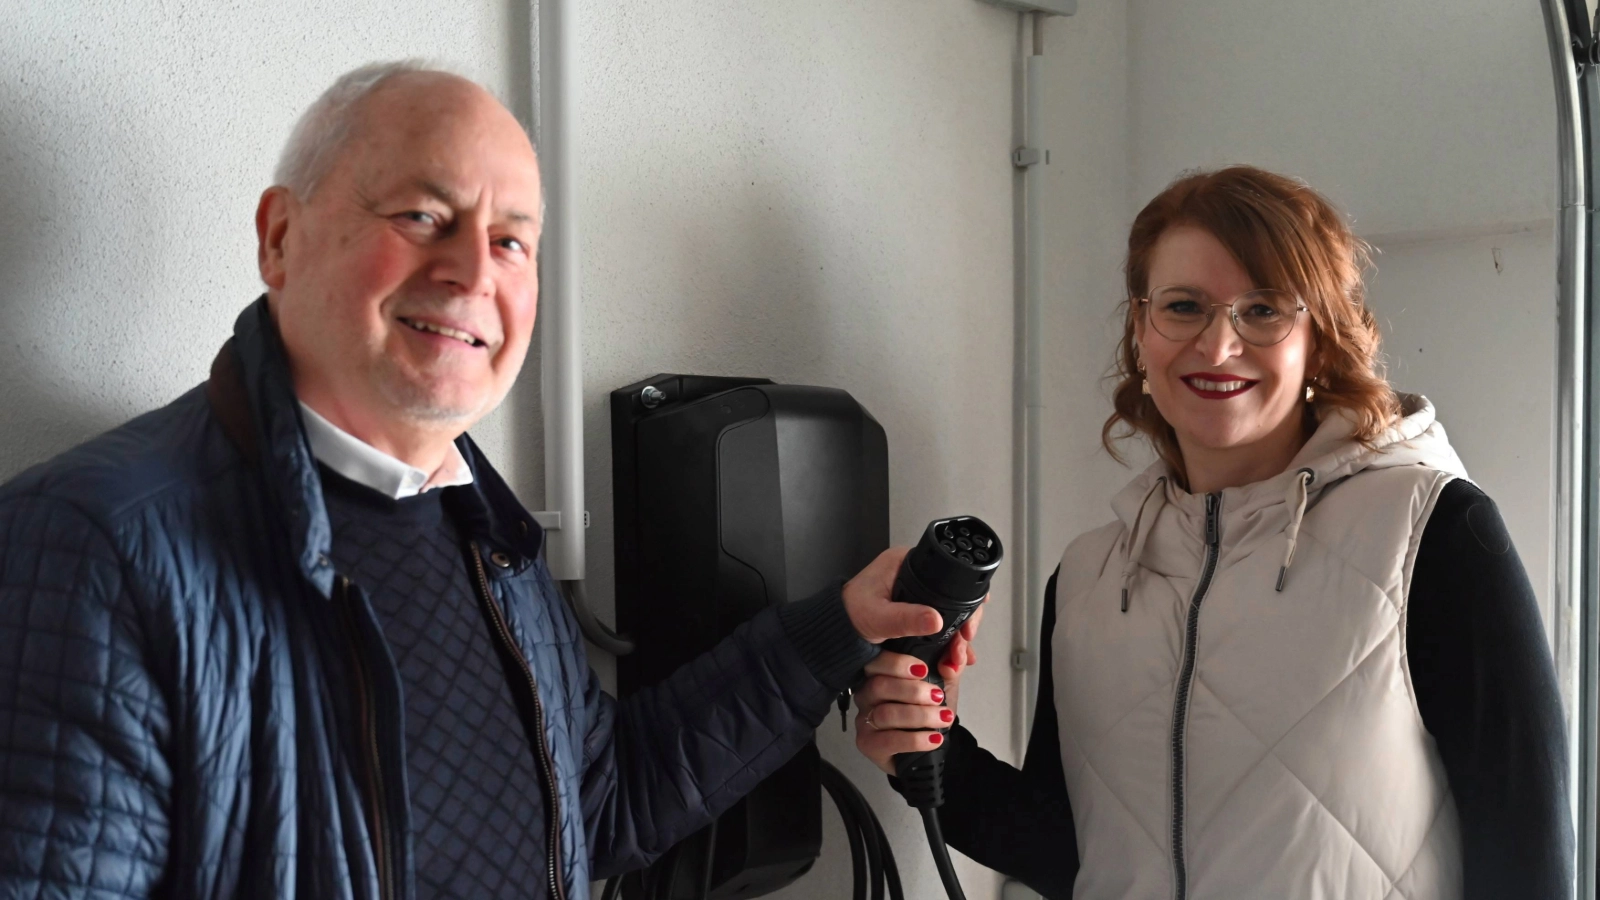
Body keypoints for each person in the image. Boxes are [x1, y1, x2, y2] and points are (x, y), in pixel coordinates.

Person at [0, 61, 971, 899]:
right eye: (423, 215)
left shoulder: (482, 534)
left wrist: (837, 626)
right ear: (280, 237)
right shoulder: (91, 545)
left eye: (512, 239)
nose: (473, 271)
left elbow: (601, 798)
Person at [853, 166, 1572, 899]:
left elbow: (1529, 850)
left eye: (1262, 310)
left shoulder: (1433, 532)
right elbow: (1068, 852)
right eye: (1184, 306)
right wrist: (930, 751)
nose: (1218, 345)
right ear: (1141, 330)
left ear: (1318, 342)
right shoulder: (1089, 578)